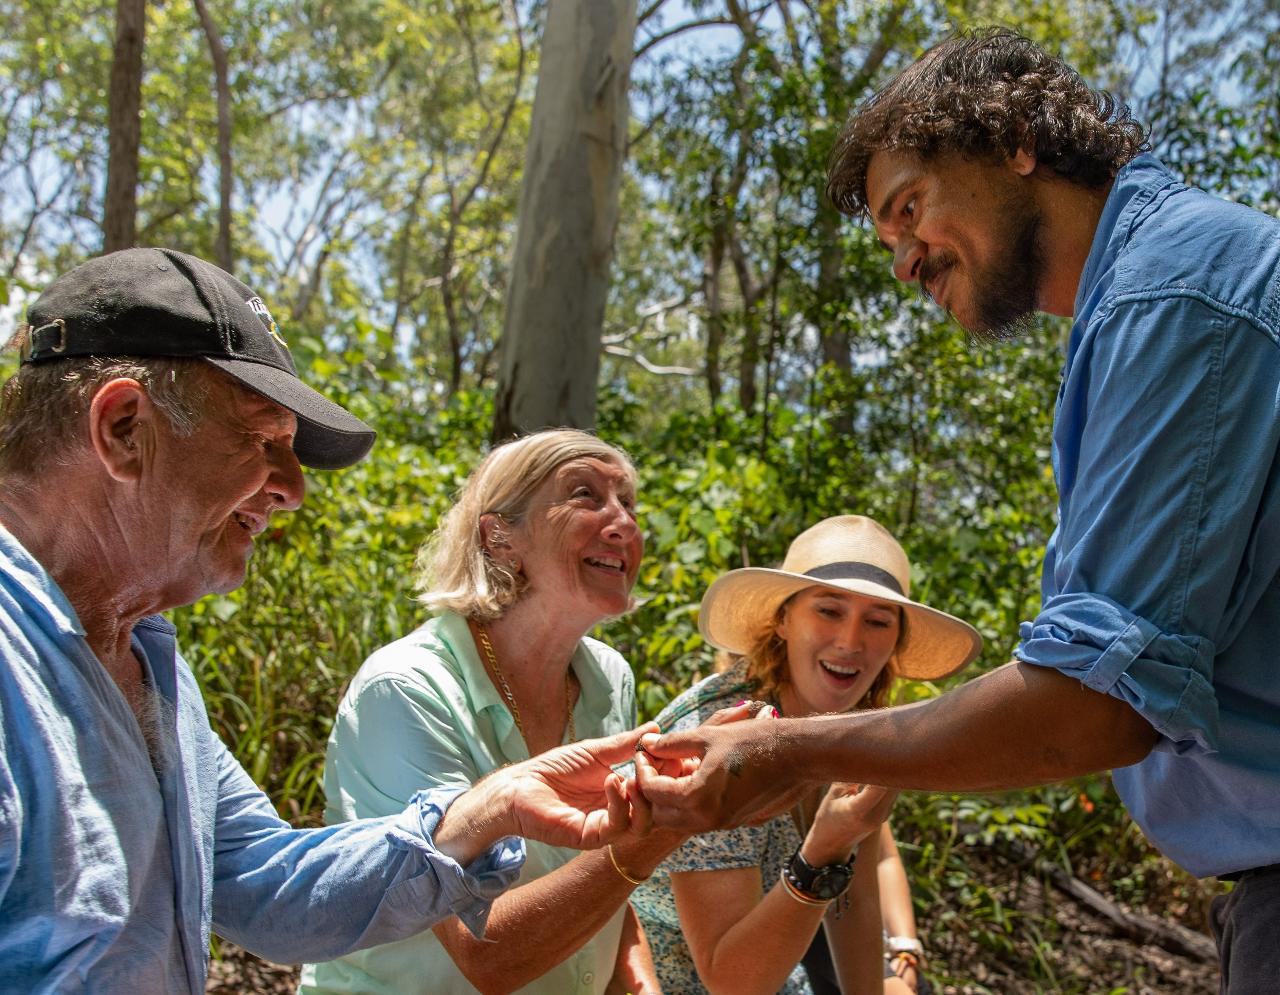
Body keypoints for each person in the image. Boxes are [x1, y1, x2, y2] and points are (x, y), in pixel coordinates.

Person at [633, 27, 1280, 992]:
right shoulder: (1136, 307)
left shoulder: (1174, 293)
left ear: (1017, 136)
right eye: (890, 243)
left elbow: (1096, 707)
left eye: (910, 208)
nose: (904, 266)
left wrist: (780, 754)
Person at [0, 247, 653, 994]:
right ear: (121, 427)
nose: (292, 488)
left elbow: (265, 881)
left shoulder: (148, 660)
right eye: (262, 438)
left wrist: (488, 808)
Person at [301, 429, 691, 995]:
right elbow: (483, 953)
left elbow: (601, 884)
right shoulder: (406, 689)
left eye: (627, 502)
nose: (624, 523)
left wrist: (638, 984)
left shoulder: (608, 677)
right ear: (500, 536)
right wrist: (670, 826)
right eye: (585, 495)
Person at [631, 516, 980, 994]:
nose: (850, 642)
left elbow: (855, 893)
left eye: (877, 621)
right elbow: (730, 982)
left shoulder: (858, 725)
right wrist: (825, 850)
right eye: (829, 611)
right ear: (783, 619)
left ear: (895, 642)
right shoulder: (719, 740)